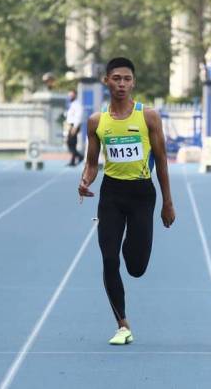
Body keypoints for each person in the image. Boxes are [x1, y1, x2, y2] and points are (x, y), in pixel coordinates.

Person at [78, 57, 175, 345]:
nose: (121, 84)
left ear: (133, 82)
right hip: (111, 196)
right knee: (109, 259)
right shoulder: (97, 121)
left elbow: (162, 160)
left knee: (135, 266)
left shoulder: (148, 117)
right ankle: (122, 324)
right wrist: (85, 180)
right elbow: (92, 163)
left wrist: (168, 203)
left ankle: (129, 244)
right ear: (106, 81)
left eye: (126, 79)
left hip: (142, 195)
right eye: (116, 78)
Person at [66, 89, 84, 166]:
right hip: (71, 125)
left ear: (75, 95)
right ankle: (73, 160)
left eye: (72, 95)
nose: (70, 96)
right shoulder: (72, 104)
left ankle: (80, 156)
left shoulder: (77, 104)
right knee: (71, 143)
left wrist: (75, 127)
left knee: (71, 143)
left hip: (74, 126)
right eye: (69, 95)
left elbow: (78, 116)